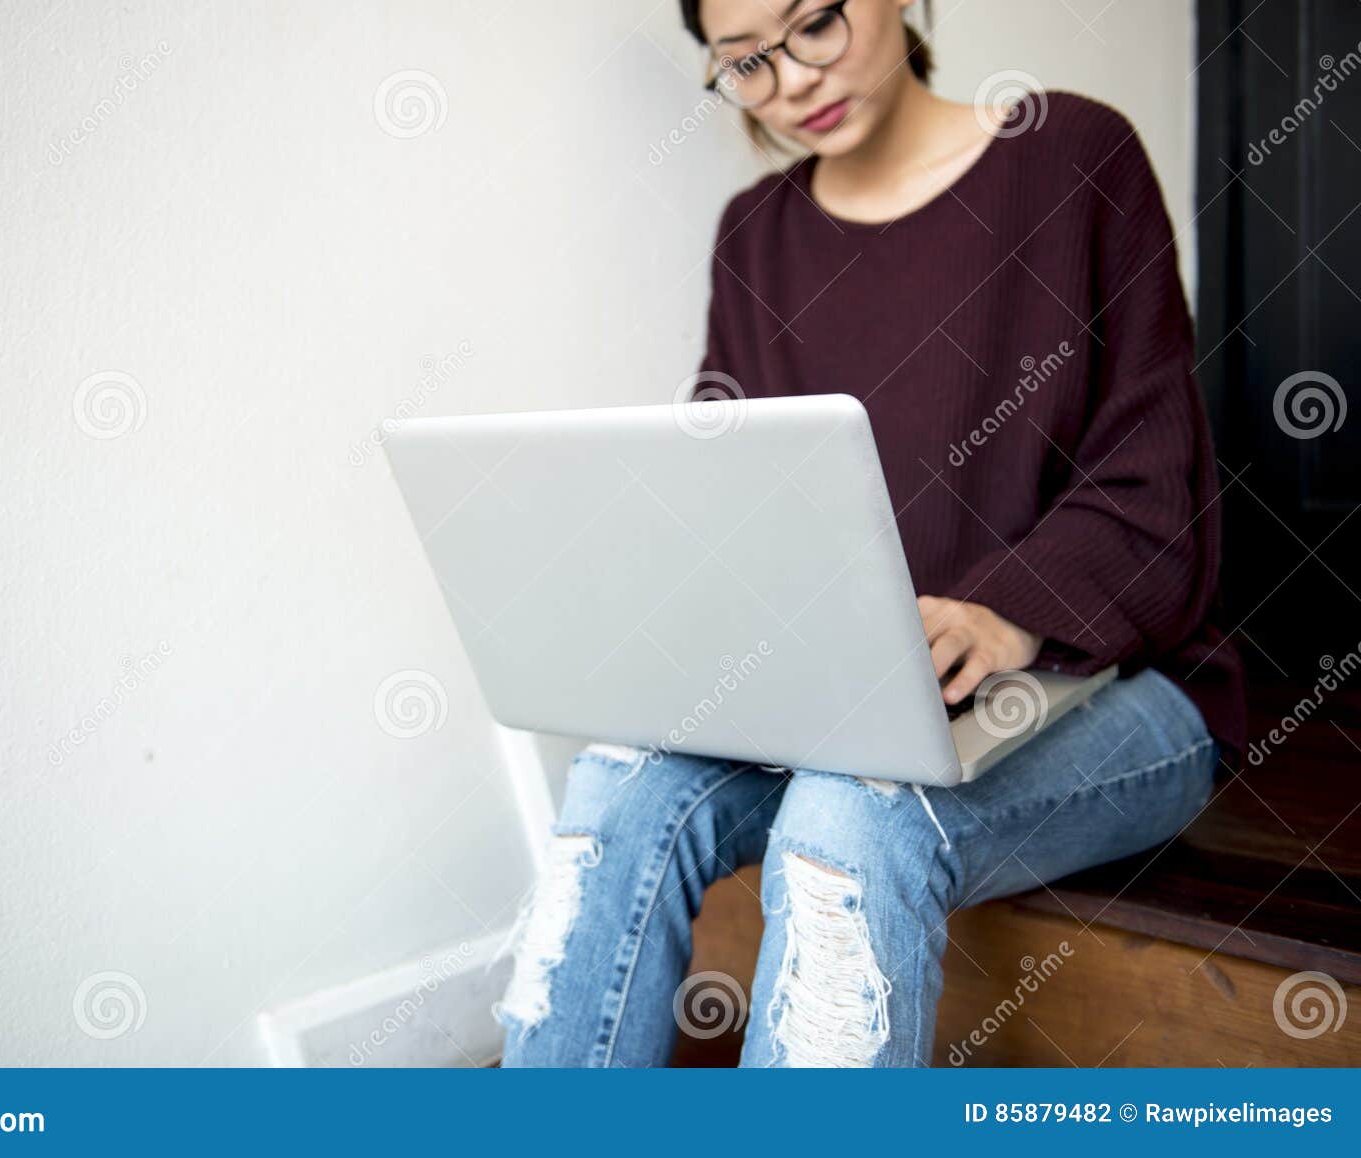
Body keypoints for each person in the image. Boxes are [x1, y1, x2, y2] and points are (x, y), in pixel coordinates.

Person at [496, 0, 1245, 1067]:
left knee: (854, 819)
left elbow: (1155, 495)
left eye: (812, 26)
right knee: (616, 786)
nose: (791, 80)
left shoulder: (1074, 156)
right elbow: (757, 515)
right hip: (847, 708)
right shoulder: (755, 238)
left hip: (1112, 684)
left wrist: (1004, 615)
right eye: (744, 62)